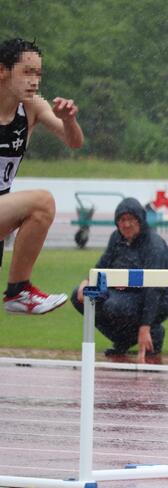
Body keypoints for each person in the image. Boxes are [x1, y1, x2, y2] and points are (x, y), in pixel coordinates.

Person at [0, 38, 84, 315]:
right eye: (27, 72)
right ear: (3, 71)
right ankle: (18, 290)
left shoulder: (32, 107)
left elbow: (74, 142)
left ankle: (18, 293)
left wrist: (69, 119)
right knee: (42, 202)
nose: (34, 80)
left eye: (38, 73)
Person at [71, 198, 168, 364]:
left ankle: (152, 333)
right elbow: (102, 266)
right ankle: (123, 339)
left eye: (131, 219)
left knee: (113, 305)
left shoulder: (154, 246)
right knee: (80, 296)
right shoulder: (116, 238)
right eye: (122, 220)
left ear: (140, 220)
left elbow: (154, 289)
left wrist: (145, 326)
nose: (126, 224)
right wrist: (86, 282)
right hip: (121, 295)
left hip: (155, 300)